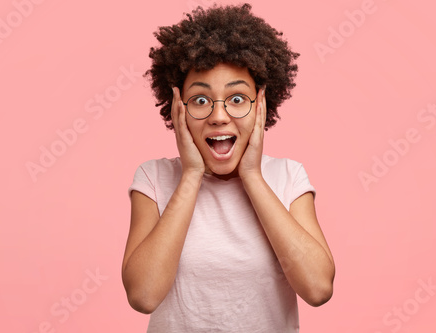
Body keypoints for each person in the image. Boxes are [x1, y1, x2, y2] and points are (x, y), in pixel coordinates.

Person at [122, 4, 335, 332]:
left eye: (237, 99)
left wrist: (252, 176)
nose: (219, 116)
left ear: (261, 104)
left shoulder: (288, 178)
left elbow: (318, 289)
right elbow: (144, 295)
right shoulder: (154, 179)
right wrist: (191, 175)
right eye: (201, 100)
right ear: (178, 107)